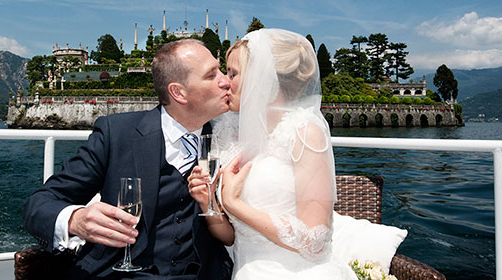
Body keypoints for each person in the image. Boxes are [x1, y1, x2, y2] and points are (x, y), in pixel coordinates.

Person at [23, 39, 233, 279]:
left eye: (223, 71)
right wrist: (76, 219)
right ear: (178, 92)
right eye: (211, 75)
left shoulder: (228, 139)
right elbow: (39, 204)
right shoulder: (117, 134)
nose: (226, 80)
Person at [188, 29, 357, 279]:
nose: (224, 81)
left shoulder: (304, 133)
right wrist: (208, 202)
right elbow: (232, 237)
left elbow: (315, 243)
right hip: (244, 266)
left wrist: (234, 203)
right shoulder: (228, 133)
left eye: (233, 73)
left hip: (295, 270)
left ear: (262, 78)